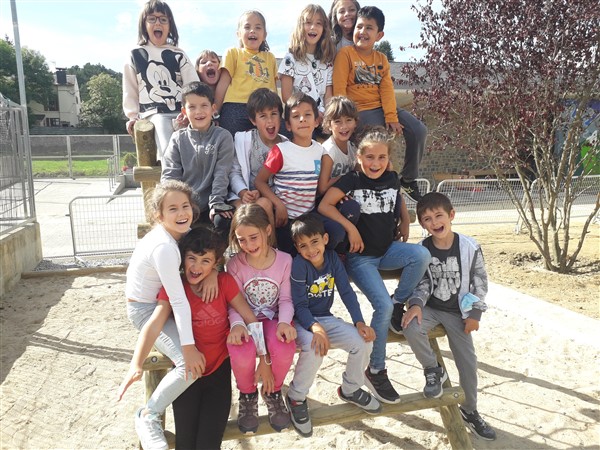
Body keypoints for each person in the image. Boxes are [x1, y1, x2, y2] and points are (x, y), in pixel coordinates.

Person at [119, 226, 264, 449]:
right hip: (186, 375)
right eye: (192, 258)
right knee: (185, 443)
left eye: (205, 261)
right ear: (182, 258)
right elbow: (155, 323)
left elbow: (250, 318)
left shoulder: (223, 282)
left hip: (218, 372)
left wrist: (264, 358)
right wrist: (136, 364)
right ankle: (148, 415)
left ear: (216, 263)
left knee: (209, 444)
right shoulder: (174, 287)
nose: (196, 267)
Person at [318, 128, 430, 404]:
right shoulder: (352, 180)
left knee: (421, 255)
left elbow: (398, 196)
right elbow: (325, 206)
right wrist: (350, 229)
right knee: (381, 306)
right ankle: (376, 369)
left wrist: (405, 219)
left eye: (381, 157)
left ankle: (398, 301)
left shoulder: (391, 178)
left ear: (388, 159)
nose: (375, 163)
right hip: (361, 258)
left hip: (387, 249)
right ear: (359, 157)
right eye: (370, 157)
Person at [124, 180, 217, 450]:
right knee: (190, 367)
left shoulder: (176, 235)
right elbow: (178, 301)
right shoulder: (164, 246)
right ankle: (148, 414)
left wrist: (213, 271)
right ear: (159, 215)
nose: (182, 213)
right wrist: (187, 347)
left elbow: (205, 253)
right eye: (172, 209)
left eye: (185, 206)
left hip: (159, 304)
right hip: (146, 310)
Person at [400, 192, 497, 441]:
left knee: (468, 362)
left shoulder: (469, 247)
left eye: (438, 215)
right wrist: (416, 304)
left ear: (451, 215)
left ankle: (470, 410)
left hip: (458, 312)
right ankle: (433, 369)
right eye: (427, 219)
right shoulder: (421, 250)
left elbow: (480, 282)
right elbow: (421, 282)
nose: (434, 222)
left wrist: (475, 313)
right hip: (431, 307)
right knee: (410, 326)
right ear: (423, 224)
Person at [285, 214, 381, 437]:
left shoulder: (332, 259)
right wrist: (315, 328)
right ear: (297, 248)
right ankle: (296, 397)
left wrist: (359, 322)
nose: (311, 250)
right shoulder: (299, 265)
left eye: (314, 242)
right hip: (302, 321)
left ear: (325, 239)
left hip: (325, 318)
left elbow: (346, 292)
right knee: (315, 347)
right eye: (303, 246)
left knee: (363, 342)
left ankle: (350, 388)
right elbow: (299, 305)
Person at [332, 6, 428, 202]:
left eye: (369, 28)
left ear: (379, 35)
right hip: (359, 110)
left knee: (418, 130)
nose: (363, 32)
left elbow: (386, 90)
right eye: (359, 27)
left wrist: (391, 116)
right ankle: (379, 188)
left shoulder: (381, 59)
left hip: (382, 107)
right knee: (379, 140)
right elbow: (339, 89)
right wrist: (345, 117)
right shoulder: (346, 54)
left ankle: (408, 180)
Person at [226, 204, 297, 434]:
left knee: (284, 346)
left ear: (267, 230)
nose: (248, 245)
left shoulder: (284, 260)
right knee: (240, 349)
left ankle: (272, 390)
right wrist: (237, 325)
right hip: (245, 320)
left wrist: (284, 322)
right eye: (242, 240)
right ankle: (247, 394)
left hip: (273, 319)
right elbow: (235, 303)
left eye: (253, 237)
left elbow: (286, 299)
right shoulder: (235, 265)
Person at [254, 92, 345, 254]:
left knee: (337, 232)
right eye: (296, 116)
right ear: (288, 125)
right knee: (290, 254)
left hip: (309, 216)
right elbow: (260, 181)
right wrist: (278, 204)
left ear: (316, 121)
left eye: (308, 115)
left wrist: (344, 180)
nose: (302, 119)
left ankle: (325, 261)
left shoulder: (320, 151)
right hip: (285, 218)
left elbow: (322, 187)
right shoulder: (281, 150)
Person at [123, 0, 199, 161]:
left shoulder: (178, 54)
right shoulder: (136, 54)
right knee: (167, 148)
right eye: (152, 19)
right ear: (144, 24)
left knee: (191, 150)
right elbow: (130, 89)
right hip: (153, 112)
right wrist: (132, 116)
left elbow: (193, 86)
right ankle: (169, 173)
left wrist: (190, 111)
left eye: (163, 19)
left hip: (180, 111)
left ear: (170, 25)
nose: (158, 23)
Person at [161, 81, 234, 238]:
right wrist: (180, 206)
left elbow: (222, 173)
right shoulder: (178, 139)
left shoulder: (223, 137)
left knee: (223, 220)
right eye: (192, 107)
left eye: (204, 106)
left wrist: (216, 203)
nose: (198, 111)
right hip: (184, 205)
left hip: (211, 203)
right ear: (184, 111)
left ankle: (217, 255)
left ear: (213, 108)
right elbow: (170, 176)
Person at [227, 88, 288, 225]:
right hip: (244, 196)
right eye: (263, 116)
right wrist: (243, 192)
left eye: (274, 114)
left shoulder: (286, 145)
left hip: (272, 198)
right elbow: (234, 172)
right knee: (243, 210)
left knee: (264, 204)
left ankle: (270, 239)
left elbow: (285, 180)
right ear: (253, 120)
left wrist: (268, 197)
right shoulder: (244, 140)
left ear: (280, 117)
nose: (270, 121)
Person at [214, 10, 278, 137]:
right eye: (247, 27)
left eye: (258, 27)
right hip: (236, 107)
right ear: (238, 33)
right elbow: (223, 84)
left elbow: (274, 88)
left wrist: (278, 112)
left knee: (280, 140)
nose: (252, 31)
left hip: (266, 108)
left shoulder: (270, 57)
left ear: (264, 35)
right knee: (231, 142)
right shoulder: (233, 53)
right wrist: (215, 113)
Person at [278, 4, 336, 126]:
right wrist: (310, 113)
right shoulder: (290, 59)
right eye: (308, 22)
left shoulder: (327, 61)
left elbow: (328, 96)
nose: (313, 27)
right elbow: (286, 96)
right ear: (300, 27)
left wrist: (326, 115)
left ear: (324, 29)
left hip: (322, 119)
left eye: (318, 23)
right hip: (300, 119)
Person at [317, 95, 359, 196]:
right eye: (337, 121)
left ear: (355, 122)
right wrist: (346, 177)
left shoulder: (353, 147)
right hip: (328, 198)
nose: (343, 126)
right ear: (329, 125)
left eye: (348, 120)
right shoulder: (329, 151)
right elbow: (322, 189)